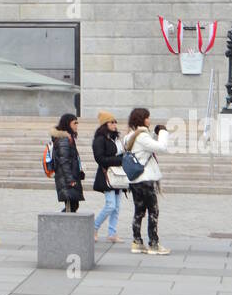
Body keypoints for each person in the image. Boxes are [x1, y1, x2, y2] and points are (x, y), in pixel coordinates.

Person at [124, 108, 170, 255]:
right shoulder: (142, 137)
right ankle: (154, 244)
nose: (149, 120)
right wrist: (162, 132)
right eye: (147, 118)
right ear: (142, 119)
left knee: (139, 211)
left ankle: (137, 242)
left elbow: (147, 148)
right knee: (153, 211)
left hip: (135, 180)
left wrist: (154, 135)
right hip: (145, 179)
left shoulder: (129, 136)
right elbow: (162, 147)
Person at [92, 110, 124, 241]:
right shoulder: (99, 139)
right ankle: (93, 228)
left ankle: (112, 233)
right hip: (107, 175)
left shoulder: (114, 139)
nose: (114, 124)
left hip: (118, 176)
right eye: (111, 122)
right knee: (110, 205)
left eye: (115, 121)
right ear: (105, 124)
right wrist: (119, 160)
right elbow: (100, 158)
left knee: (116, 207)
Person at [51, 112, 85, 213]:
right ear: (67, 124)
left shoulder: (68, 138)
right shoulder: (64, 140)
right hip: (66, 179)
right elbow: (64, 161)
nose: (77, 125)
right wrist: (70, 180)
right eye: (74, 123)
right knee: (71, 206)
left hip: (70, 176)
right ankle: (59, 226)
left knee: (73, 206)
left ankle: (62, 226)